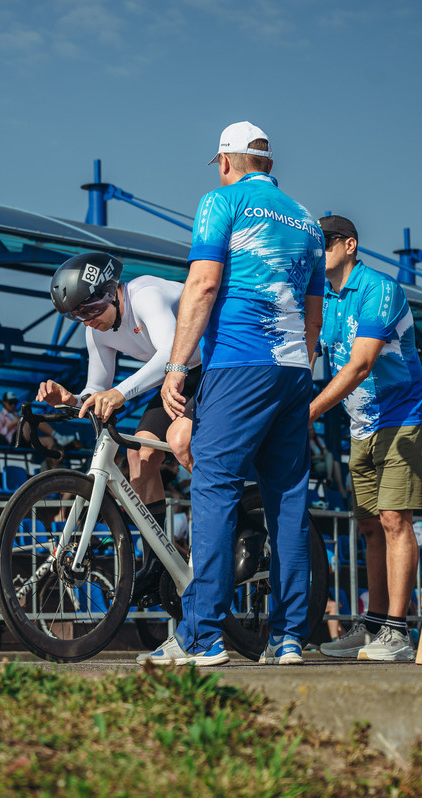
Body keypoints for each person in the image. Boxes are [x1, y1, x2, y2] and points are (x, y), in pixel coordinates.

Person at [139, 120, 325, 667]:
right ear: (267, 164)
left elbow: (202, 284)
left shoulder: (220, 202)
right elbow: (314, 314)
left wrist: (176, 366)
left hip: (240, 362)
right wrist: (299, 365)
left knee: (214, 490)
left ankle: (202, 636)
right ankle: (289, 638)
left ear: (226, 161)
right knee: (287, 502)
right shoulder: (307, 221)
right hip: (293, 370)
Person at [37, 251, 202, 603]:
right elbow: (97, 391)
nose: (86, 320)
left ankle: (222, 523)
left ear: (112, 291)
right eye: (76, 315)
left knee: (183, 442)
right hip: (176, 377)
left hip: (207, 366)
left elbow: (174, 353)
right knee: (140, 455)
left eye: (91, 309)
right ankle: (158, 562)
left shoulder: (145, 295)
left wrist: (119, 392)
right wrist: (70, 399)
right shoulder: (96, 332)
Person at [311, 215, 422, 663]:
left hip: (401, 420)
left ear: (350, 245)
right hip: (360, 426)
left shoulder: (379, 289)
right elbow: (307, 356)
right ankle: (374, 625)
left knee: (395, 519)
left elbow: (361, 365)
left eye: (324, 243)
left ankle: (398, 633)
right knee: (369, 526)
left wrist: (310, 410)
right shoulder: (320, 297)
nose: (316, 250)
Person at [0, 391, 75, 452]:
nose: (13, 405)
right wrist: (11, 424)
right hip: (13, 440)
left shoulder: (15, 414)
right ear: (4, 403)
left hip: (24, 439)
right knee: (30, 418)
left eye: (14, 403)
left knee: (49, 441)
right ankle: (58, 436)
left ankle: (50, 466)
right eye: (10, 403)